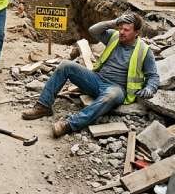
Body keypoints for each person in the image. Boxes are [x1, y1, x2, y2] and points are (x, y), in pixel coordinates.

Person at [23, 13, 159, 138]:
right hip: (97, 79)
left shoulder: (144, 51)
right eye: (121, 28)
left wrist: (149, 89)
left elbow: (153, 76)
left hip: (117, 88)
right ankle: (43, 106)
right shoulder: (114, 36)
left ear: (136, 32)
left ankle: (69, 124)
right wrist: (114, 22)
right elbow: (93, 30)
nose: (122, 32)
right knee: (65, 65)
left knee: (110, 96)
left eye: (126, 30)